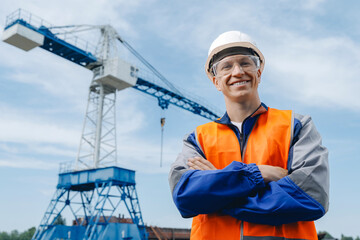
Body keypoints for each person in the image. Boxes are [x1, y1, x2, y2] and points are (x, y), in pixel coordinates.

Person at [168, 31, 329, 240]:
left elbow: (311, 196)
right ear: (216, 81)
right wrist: (256, 174)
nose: (237, 72)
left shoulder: (296, 126)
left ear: (259, 73)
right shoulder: (197, 139)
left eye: (245, 63)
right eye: (226, 66)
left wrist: (218, 191)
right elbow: (185, 197)